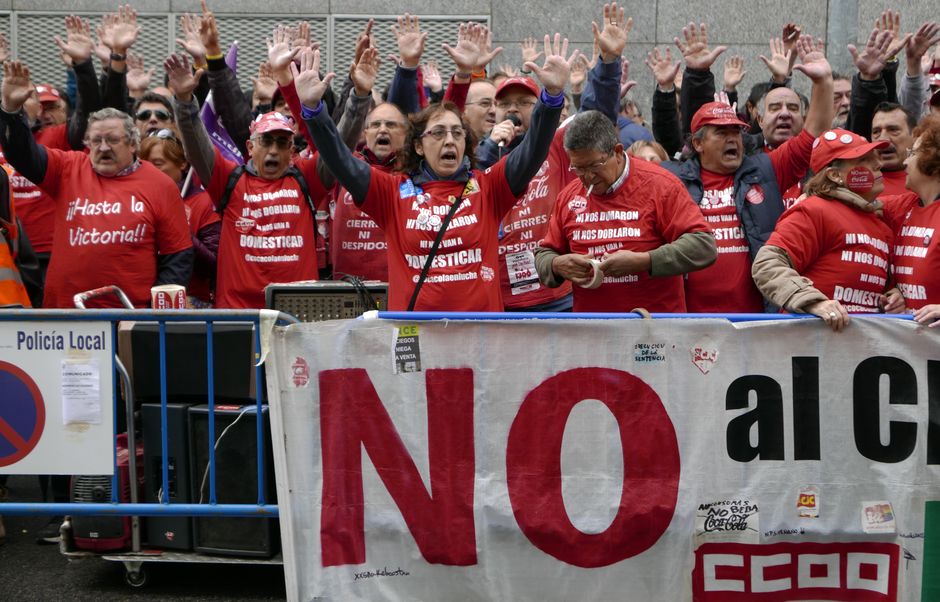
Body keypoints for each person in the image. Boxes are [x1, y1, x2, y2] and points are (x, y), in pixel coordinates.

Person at [296, 35, 576, 311]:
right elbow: (339, 159)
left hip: (479, 341)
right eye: (438, 133)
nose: (450, 140)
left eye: (457, 133)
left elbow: (533, 150)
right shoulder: (392, 192)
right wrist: (312, 109)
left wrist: (551, 98)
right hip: (416, 340)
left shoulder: (490, 187)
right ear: (418, 145)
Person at [659, 34, 835, 314]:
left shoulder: (766, 170)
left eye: (736, 131)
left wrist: (823, 82)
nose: (733, 139)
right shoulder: (670, 180)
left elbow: (814, 133)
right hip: (688, 322)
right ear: (698, 143)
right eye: (722, 132)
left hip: (757, 322)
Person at [0, 62, 193, 309]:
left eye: (112, 140)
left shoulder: (160, 185)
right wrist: (11, 110)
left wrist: (154, 316)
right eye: (96, 140)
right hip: (66, 316)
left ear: (133, 144)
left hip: (129, 318)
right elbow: (21, 155)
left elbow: (177, 257)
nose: (103, 147)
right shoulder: (67, 168)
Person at [168, 53, 327, 309]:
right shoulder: (228, 178)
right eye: (266, 141)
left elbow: (337, 150)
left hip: (294, 315)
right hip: (238, 314)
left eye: (281, 143)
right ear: (250, 147)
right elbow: (198, 147)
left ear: (292, 151)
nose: (273, 150)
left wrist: (357, 98)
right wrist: (185, 102)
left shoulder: (306, 178)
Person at [534, 110, 716, 312]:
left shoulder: (661, 185)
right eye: (577, 168)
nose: (586, 176)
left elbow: (703, 246)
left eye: (594, 165)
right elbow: (544, 254)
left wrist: (645, 261)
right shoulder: (569, 196)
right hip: (592, 331)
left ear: (618, 152)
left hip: (653, 329)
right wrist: (556, 265)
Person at [752, 128, 904, 331]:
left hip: (856, 349)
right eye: (863, 160)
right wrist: (813, 302)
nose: (878, 164)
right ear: (834, 175)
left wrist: (894, 295)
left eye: (874, 157)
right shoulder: (814, 210)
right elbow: (766, 265)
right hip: (808, 348)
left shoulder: (879, 222)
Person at [138, 128, 220, 306]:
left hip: (190, 303)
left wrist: (178, 229)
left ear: (182, 163)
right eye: (143, 164)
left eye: (157, 164)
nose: (148, 171)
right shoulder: (134, 201)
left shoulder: (204, 202)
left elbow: (214, 265)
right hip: (139, 301)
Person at [884, 115, 940, 325]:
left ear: (933, 160)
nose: (905, 161)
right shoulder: (905, 205)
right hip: (916, 349)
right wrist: (896, 293)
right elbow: (856, 202)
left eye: (913, 153)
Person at [870, 102, 916, 195]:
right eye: (876, 132)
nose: (883, 139)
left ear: (915, 136)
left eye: (893, 130)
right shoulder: (856, 183)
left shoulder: (933, 180)